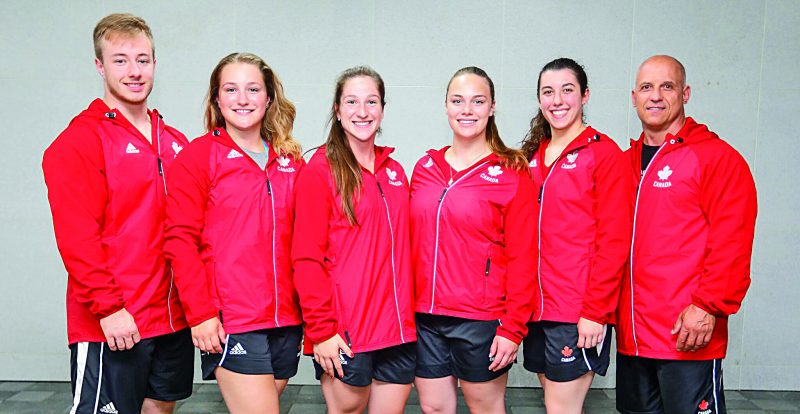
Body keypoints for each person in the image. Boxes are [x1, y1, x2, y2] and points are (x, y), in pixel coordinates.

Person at [42, 13, 193, 414]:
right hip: (114, 320)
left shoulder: (174, 141)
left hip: (172, 320)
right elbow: (77, 238)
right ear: (100, 66)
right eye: (120, 60)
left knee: (160, 408)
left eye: (142, 60)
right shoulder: (80, 140)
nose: (134, 71)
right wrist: (109, 309)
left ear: (155, 64)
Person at [616, 55, 758, 414]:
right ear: (634, 96)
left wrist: (708, 306)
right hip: (633, 337)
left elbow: (733, 243)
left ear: (686, 93)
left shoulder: (715, 158)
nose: (656, 96)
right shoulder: (624, 162)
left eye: (667, 86)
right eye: (646, 87)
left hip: (686, 333)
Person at [163, 52, 303, 413]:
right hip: (234, 319)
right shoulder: (199, 157)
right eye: (231, 89)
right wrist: (200, 314)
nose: (243, 99)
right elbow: (179, 241)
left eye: (253, 88)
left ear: (269, 97)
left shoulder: (291, 160)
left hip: (287, 319)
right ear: (217, 98)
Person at [410, 66, 537, 414]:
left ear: (492, 107)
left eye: (477, 101)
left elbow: (525, 257)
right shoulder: (425, 167)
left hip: (481, 318)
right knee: (434, 407)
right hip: (426, 315)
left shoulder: (511, 172)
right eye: (458, 100)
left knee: (485, 407)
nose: (467, 109)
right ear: (446, 106)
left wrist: (513, 328)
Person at [292, 66, 417, 414]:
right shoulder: (320, 170)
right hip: (346, 332)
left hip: (396, 330)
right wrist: (320, 330)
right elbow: (305, 259)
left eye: (371, 101)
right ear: (337, 109)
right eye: (352, 101)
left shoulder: (395, 171)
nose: (362, 111)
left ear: (382, 108)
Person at [518, 58, 632, 413]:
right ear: (539, 100)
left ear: (585, 96)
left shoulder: (603, 154)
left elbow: (614, 239)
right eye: (548, 92)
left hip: (577, 311)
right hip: (537, 309)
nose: (558, 100)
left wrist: (596, 311)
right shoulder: (531, 158)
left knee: (562, 409)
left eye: (567, 90)